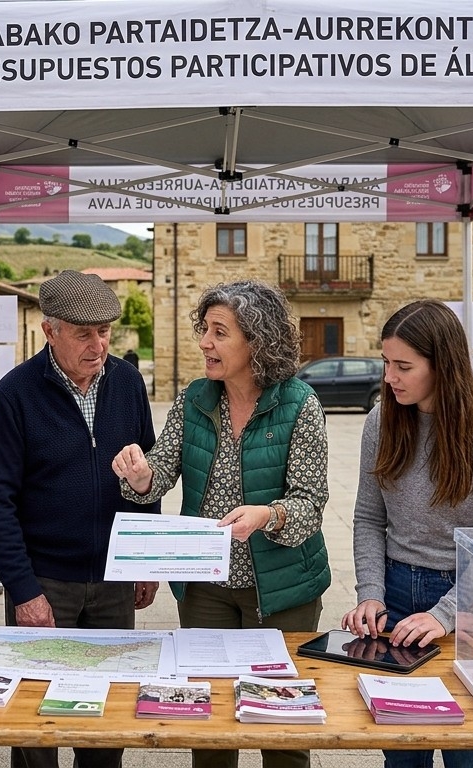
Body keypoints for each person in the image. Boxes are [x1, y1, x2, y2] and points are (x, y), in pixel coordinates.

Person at [112, 280, 329, 768]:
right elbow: (161, 467)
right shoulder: (194, 398)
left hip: (282, 590)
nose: (205, 343)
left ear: (257, 339)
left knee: (283, 730)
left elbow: (311, 502)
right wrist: (142, 477)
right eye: (204, 330)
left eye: (219, 332)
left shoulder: (299, 404)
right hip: (205, 586)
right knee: (208, 727)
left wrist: (268, 515)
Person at [0, 270, 159, 768]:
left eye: (104, 331)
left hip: (115, 579)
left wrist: (144, 559)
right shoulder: (14, 394)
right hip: (44, 582)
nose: (98, 344)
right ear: (49, 330)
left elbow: (149, 473)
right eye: (83, 333)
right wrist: (24, 589)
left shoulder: (127, 382)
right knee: (38, 724)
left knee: (107, 725)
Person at [342, 299, 473, 768]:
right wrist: (370, 595)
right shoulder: (381, 421)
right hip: (397, 593)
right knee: (403, 750)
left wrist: (445, 615)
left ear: (442, 365)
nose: (389, 377)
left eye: (403, 366)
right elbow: (367, 517)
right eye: (386, 362)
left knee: (471, 752)